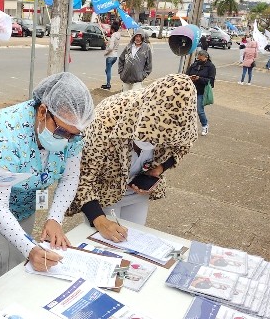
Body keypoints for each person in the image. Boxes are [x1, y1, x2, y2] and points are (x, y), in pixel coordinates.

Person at [0, 72, 95, 288]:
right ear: (42, 112)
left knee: (19, 260)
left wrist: (55, 218)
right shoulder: (4, 132)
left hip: (23, 202)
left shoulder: (71, 132)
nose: (67, 140)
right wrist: (30, 249)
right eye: (62, 131)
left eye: (73, 135)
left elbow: (70, 177)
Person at [67, 74, 197, 242]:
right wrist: (99, 220)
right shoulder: (105, 119)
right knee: (105, 244)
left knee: (133, 241)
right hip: (103, 193)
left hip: (137, 193)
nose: (156, 143)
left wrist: (161, 167)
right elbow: (82, 177)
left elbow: (183, 146)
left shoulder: (183, 122)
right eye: (151, 137)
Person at [186, 50, 216, 137]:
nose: (199, 59)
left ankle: (205, 125)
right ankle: (189, 128)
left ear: (205, 57)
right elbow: (187, 74)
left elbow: (211, 81)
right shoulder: (195, 64)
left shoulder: (211, 67)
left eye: (200, 57)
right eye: (198, 57)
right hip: (191, 90)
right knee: (188, 110)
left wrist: (199, 79)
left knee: (199, 110)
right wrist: (190, 77)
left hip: (201, 91)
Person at [101, 21, 121, 90]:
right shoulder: (118, 36)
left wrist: (106, 52)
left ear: (112, 29)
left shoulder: (113, 36)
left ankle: (108, 85)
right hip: (115, 56)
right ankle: (107, 83)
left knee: (108, 70)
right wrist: (108, 42)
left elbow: (110, 48)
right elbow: (113, 44)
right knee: (107, 70)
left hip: (110, 56)